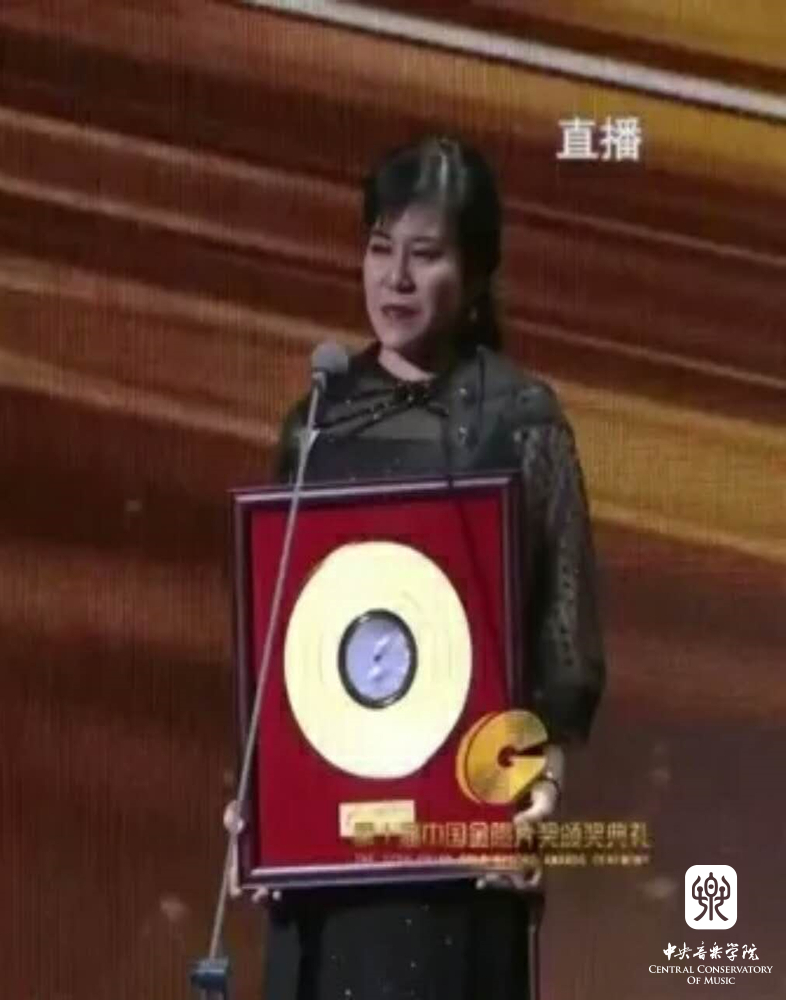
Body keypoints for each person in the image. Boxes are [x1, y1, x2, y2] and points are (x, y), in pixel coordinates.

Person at [225, 136, 606, 999]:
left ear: (474, 276)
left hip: (458, 868)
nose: (394, 279)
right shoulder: (315, 423)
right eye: (379, 248)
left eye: (424, 255)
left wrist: (539, 793)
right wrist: (261, 803)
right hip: (327, 874)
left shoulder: (520, 419)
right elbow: (281, 642)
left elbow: (563, 646)